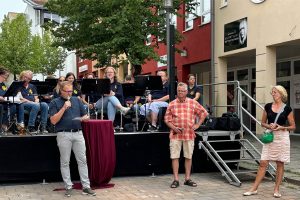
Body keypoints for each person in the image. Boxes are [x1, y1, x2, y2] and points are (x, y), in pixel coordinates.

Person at [243, 85, 295, 198]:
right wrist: (269, 125)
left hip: (282, 137)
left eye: (275, 92)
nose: (273, 94)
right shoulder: (267, 106)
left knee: (280, 163)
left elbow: (293, 126)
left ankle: (276, 189)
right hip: (270, 136)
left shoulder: (287, 109)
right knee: (263, 162)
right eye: (272, 92)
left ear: (281, 94)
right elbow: (262, 123)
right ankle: (254, 188)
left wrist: (280, 127)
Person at [49, 81, 96, 197]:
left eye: (71, 91)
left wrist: (83, 118)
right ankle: (68, 187)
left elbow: (86, 116)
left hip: (78, 134)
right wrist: (64, 108)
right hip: (63, 134)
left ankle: (86, 186)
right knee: (65, 162)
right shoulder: (55, 102)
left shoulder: (76, 100)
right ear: (61, 91)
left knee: (83, 161)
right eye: (67, 91)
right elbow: (53, 121)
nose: (70, 93)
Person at [164, 82, 208, 188]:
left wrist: (198, 124)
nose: (180, 93)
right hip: (175, 134)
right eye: (179, 91)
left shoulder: (192, 103)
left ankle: (187, 179)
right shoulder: (172, 104)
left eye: (183, 91)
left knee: (188, 156)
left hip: (189, 134)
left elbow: (204, 113)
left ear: (187, 92)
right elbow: (167, 119)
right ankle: (176, 180)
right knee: (175, 157)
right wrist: (174, 128)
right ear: (177, 91)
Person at [0, 68, 20, 135]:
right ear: (1, 75)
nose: (6, 78)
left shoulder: (2, 84)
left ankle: (4, 125)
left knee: (13, 106)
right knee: (1, 106)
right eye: (5, 76)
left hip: (3, 101)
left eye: (7, 76)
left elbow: (5, 92)